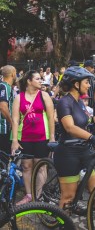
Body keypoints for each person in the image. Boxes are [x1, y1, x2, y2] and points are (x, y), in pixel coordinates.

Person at [53, 66, 95, 208]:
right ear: (76, 84)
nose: (88, 86)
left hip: (84, 150)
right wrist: (92, 138)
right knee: (69, 197)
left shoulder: (80, 102)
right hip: (68, 153)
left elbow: (86, 123)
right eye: (86, 82)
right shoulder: (64, 102)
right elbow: (70, 127)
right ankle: (64, 224)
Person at [11, 70, 55, 205]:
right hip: (24, 138)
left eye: (40, 78)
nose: (40, 81)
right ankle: (29, 195)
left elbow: (50, 117)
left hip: (42, 137)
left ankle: (39, 196)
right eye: (37, 79)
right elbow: (15, 119)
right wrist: (14, 140)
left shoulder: (44, 95)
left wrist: (52, 137)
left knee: (41, 166)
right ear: (29, 81)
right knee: (26, 166)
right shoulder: (19, 97)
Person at [0, 65, 17, 154]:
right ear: (13, 74)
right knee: (4, 157)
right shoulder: (5, 86)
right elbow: (3, 107)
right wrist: (11, 122)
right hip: (3, 128)